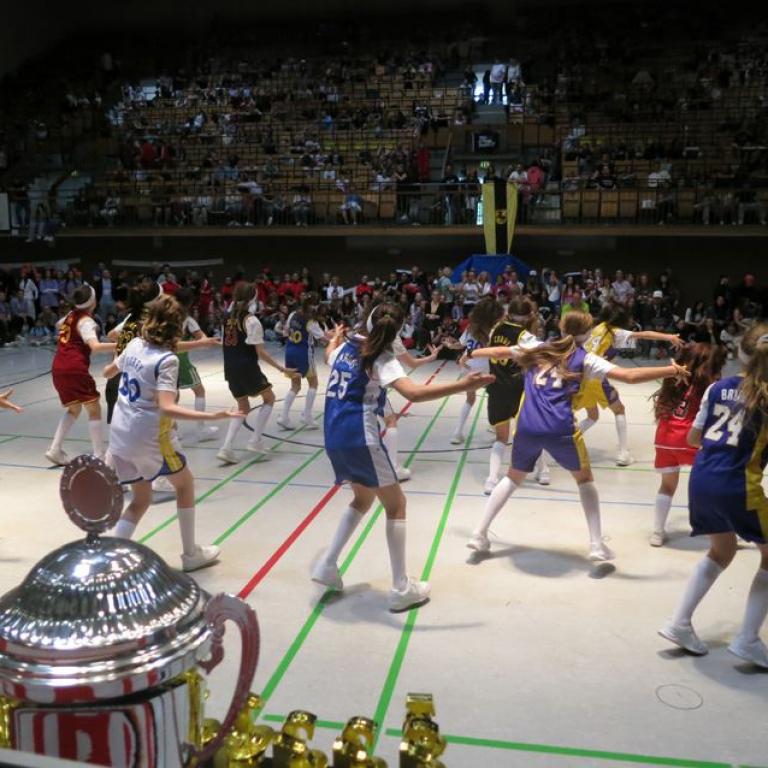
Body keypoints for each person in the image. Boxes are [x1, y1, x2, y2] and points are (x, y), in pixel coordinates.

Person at [310, 303, 494, 612]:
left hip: (333, 436)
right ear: (396, 333)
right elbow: (414, 394)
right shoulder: (381, 358)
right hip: (360, 437)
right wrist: (462, 385)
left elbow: (328, 353)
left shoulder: (345, 348)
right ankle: (400, 588)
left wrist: (336, 336)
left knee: (362, 499)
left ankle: (327, 564)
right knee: (396, 505)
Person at [465, 310, 688, 560]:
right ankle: (596, 545)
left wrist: (470, 354)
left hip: (527, 425)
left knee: (512, 478)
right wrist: (671, 370)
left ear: (561, 328)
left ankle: (478, 533)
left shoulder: (537, 348)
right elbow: (630, 376)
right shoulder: (586, 358)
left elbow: (497, 352)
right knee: (584, 480)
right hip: (560, 428)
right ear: (589, 333)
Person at [659, 325, 768, 668]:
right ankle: (748, 639)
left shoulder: (718, 387)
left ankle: (679, 622)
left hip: (702, 479)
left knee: (722, 550)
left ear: (741, 353)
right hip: (739, 486)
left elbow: (693, 439)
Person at [104, 294, 236, 572]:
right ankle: (190, 554)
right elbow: (167, 407)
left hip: (119, 433)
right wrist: (214, 415)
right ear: (176, 326)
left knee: (141, 499)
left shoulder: (135, 344)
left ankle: (113, 557)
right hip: (149, 435)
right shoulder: (167, 360)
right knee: (185, 485)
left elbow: (108, 372)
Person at [574, 305, 684, 465]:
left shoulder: (596, 328)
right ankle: (623, 454)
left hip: (580, 376)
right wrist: (669, 337)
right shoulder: (615, 332)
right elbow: (644, 334)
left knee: (592, 416)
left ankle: (570, 437)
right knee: (619, 410)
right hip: (595, 377)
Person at [650, 342, 727, 546]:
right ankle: (720, 530)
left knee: (667, 486)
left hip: (664, 437)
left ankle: (657, 532)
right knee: (712, 483)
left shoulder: (673, 379)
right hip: (690, 438)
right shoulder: (709, 385)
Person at [217, 282, 299, 464]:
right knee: (269, 398)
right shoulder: (251, 321)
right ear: (252, 299)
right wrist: (282, 369)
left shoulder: (226, 318)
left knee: (242, 406)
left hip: (229, 367)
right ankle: (255, 440)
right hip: (246, 366)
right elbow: (260, 352)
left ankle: (226, 448)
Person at [46, 285, 116, 466]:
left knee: (74, 408)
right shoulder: (86, 321)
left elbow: (59, 325)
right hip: (74, 368)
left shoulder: (70, 316)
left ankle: (54, 449)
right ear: (93, 301)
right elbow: (96, 347)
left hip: (58, 367)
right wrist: (123, 345)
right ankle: (99, 455)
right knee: (94, 408)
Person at [481, 297, 544, 494]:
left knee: (501, 438)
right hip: (519, 389)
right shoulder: (526, 337)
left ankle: (491, 479)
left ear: (508, 313)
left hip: (496, 387)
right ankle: (543, 472)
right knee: (531, 433)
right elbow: (545, 353)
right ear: (530, 315)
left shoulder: (495, 330)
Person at [446, 297, 503, 445]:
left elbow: (461, 344)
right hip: (486, 366)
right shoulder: (495, 330)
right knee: (495, 397)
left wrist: (451, 346)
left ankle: (457, 433)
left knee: (470, 399)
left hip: (468, 365)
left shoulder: (471, 327)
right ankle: (496, 428)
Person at [175, 288, 220, 443]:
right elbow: (203, 339)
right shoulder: (187, 320)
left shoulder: (165, 316)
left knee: (172, 395)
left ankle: (172, 431)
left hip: (162, 359)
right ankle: (201, 430)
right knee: (199, 391)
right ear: (190, 303)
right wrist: (211, 341)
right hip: (180, 359)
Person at [278, 297, 328, 430]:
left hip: (289, 351)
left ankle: (283, 416)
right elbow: (323, 339)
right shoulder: (311, 321)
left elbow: (285, 331)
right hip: (303, 353)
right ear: (315, 306)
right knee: (313, 383)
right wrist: (336, 338)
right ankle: (306, 414)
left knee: (295, 385)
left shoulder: (293, 314)